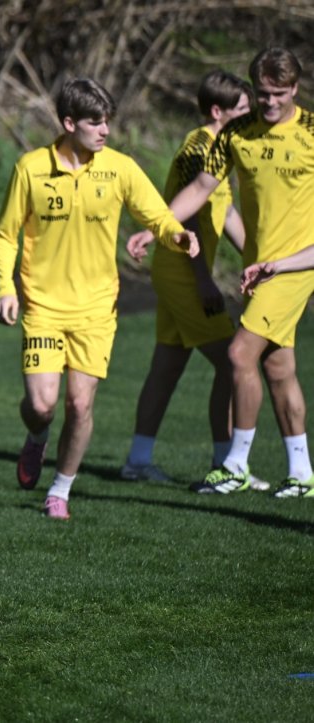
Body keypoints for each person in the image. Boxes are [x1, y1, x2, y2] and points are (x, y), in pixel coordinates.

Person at [0, 78, 197, 521]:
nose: (105, 131)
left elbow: (157, 214)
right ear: (69, 123)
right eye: (95, 122)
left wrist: (176, 234)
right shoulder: (31, 168)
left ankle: (60, 490)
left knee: (80, 404)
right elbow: (7, 235)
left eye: (108, 121)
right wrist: (6, 288)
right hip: (43, 306)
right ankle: (37, 437)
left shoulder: (119, 168)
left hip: (96, 309)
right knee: (43, 406)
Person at [130, 48, 314, 499]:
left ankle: (233, 464)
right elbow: (201, 189)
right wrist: (158, 229)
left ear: (295, 89)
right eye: (262, 94)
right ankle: (302, 472)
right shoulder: (235, 132)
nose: (270, 103)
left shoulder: (312, 132)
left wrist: (290, 261)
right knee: (278, 367)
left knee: (237, 356)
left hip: (295, 266)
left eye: (279, 94)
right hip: (258, 269)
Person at [121, 71, 253, 483]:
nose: (252, 118)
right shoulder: (203, 147)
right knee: (235, 364)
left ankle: (138, 461)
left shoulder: (221, 146)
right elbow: (192, 216)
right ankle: (225, 464)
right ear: (219, 111)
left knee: (167, 367)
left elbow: (225, 210)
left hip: (175, 269)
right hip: (183, 271)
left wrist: (262, 258)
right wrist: (203, 280)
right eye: (244, 111)